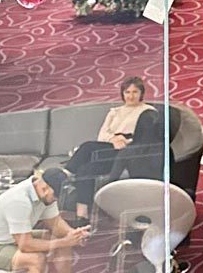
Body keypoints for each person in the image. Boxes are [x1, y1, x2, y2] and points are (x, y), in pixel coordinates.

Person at [60, 76, 150, 218]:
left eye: (135, 92)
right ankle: (81, 212)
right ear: (122, 94)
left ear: (141, 93)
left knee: (87, 158)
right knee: (87, 157)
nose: (131, 96)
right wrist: (113, 140)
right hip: (109, 145)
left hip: (127, 151)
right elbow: (102, 135)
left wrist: (125, 142)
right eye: (127, 92)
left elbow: (146, 137)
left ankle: (67, 177)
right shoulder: (114, 111)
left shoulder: (147, 112)